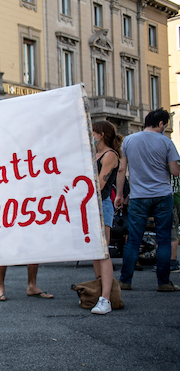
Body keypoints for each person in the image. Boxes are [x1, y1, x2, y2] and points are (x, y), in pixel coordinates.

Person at [115, 108, 180, 291]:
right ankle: (163, 282)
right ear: (161, 123)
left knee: (133, 240)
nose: (164, 128)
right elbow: (175, 171)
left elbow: (121, 170)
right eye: (165, 125)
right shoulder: (166, 142)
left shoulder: (129, 140)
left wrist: (120, 195)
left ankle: (125, 280)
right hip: (162, 195)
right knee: (164, 239)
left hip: (138, 196)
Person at [87, 121, 122, 314]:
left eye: (92, 132)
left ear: (100, 134)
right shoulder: (97, 154)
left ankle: (106, 298)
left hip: (103, 205)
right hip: (94, 204)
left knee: (103, 252)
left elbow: (99, 185)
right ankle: (101, 293)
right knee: (96, 252)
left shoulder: (110, 155)